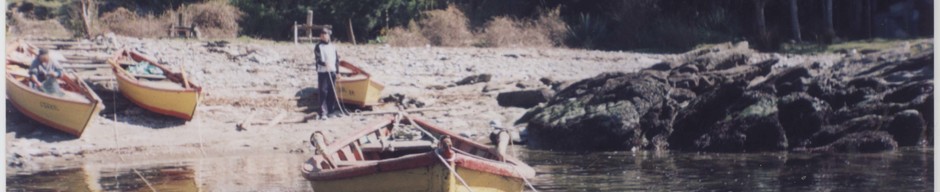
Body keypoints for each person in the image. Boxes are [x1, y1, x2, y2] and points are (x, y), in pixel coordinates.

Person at [314, 27, 342, 119]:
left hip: (332, 71)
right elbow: (317, 59)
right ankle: (323, 112)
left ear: (328, 35)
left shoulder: (333, 46)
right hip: (323, 72)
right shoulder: (318, 46)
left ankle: (331, 110)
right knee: (323, 91)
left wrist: (338, 72)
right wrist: (323, 63)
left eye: (325, 34)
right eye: (322, 35)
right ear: (320, 36)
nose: (324, 36)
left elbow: (337, 60)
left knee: (332, 91)